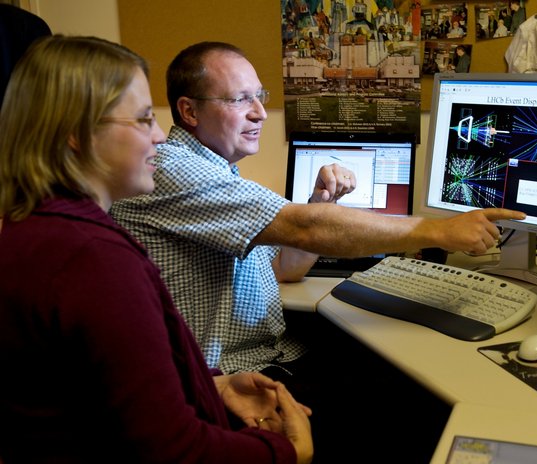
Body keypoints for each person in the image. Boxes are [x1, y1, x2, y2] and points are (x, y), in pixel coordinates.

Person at [109, 41, 525, 460]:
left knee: (400, 384)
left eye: (259, 96)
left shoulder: (218, 171)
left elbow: (283, 269)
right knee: (415, 411)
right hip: (230, 382)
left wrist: (322, 202)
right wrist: (437, 231)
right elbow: (303, 229)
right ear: (190, 111)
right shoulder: (173, 168)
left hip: (272, 358)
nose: (257, 112)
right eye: (240, 99)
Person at [0, 35, 312, 464]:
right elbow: (174, 451)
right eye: (143, 120)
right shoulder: (92, 259)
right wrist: (287, 453)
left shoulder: (39, 230)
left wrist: (213, 386)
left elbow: (114, 386)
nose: (160, 139)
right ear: (76, 133)